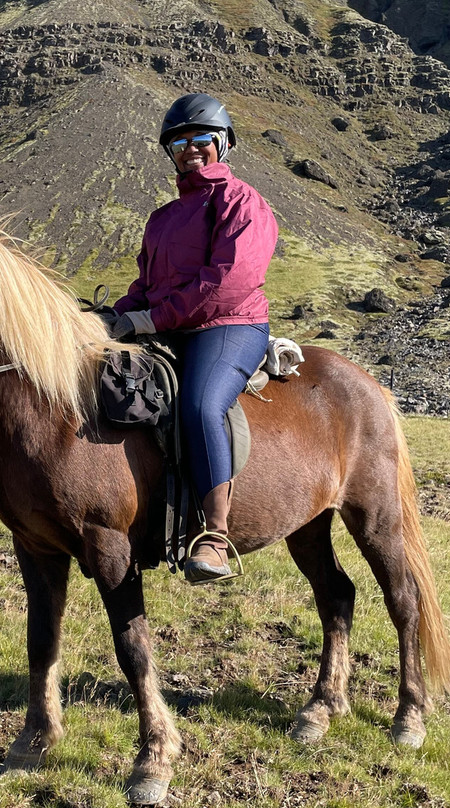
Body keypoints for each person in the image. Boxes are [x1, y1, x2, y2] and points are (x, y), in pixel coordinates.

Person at [110, 93, 278, 585]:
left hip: (229, 325)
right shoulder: (162, 218)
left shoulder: (242, 202)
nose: (190, 148)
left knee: (201, 405)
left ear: (222, 144)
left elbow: (228, 283)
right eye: (179, 141)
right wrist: (116, 316)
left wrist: (152, 320)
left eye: (202, 138)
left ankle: (216, 535)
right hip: (171, 325)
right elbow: (145, 284)